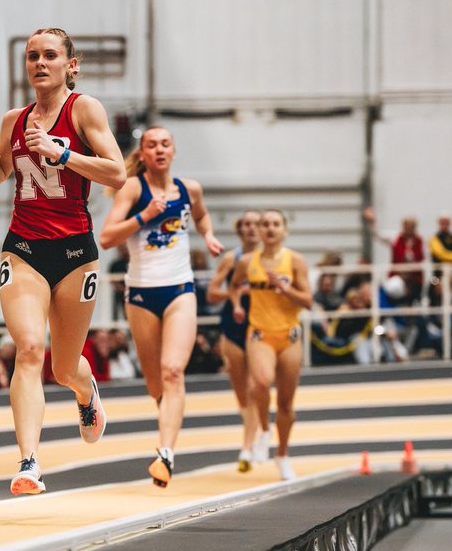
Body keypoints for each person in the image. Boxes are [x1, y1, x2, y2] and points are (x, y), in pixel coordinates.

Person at [0, 27, 126, 495]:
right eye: (32, 56)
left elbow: (117, 173)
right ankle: (28, 463)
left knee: (64, 367)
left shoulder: (85, 110)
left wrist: (63, 153)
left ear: (71, 66)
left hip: (76, 251)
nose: (40, 63)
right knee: (28, 349)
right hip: (23, 246)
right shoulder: (12, 120)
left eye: (50, 56)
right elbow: (4, 175)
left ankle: (85, 391)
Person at [98, 126, 223, 487]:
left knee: (173, 372)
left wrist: (209, 235)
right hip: (141, 293)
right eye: (151, 145)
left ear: (174, 150)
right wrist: (145, 216)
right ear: (144, 153)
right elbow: (106, 238)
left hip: (180, 289)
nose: (159, 150)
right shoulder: (134, 188)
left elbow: (200, 214)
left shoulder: (189, 189)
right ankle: (167, 426)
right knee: (156, 384)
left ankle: (165, 454)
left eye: (165, 144)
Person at [229, 210, 313, 480]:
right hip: (259, 334)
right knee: (261, 383)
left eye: (276, 224)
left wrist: (284, 288)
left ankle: (283, 455)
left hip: (289, 336)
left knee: (287, 404)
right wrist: (237, 305)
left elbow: (308, 301)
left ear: (284, 230)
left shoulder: (295, 261)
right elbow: (233, 287)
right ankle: (264, 431)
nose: (270, 229)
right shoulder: (248, 262)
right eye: (265, 224)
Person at [208, 211, 267, 472]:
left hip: (260, 327)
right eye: (246, 225)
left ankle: (249, 445)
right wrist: (236, 293)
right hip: (233, 326)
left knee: (256, 386)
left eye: (256, 224)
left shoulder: (272, 259)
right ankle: (253, 435)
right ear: (239, 230)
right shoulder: (231, 259)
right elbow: (211, 293)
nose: (252, 229)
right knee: (242, 392)